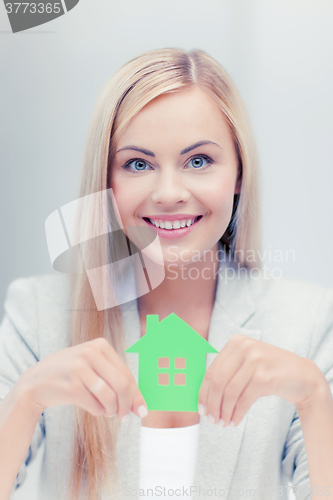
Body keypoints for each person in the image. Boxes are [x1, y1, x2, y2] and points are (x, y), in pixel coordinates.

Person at [0, 48, 333, 500]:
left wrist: (314, 398)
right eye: (138, 164)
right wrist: (26, 398)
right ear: (107, 182)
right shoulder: (38, 313)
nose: (169, 193)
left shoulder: (307, 320)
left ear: (239, 173)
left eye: (198, 161)